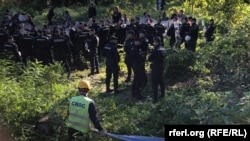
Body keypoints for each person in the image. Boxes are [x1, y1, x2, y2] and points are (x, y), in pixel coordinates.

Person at [148, 36, 166, 103]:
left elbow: (149, 59)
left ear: (156, 42)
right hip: (161, 67)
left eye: (154, 41)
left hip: (155, 67)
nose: (153, 42)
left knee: (155, 83)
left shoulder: (156, 50)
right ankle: (162, 94)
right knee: (161, 81)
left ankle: (155, 99)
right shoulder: (163, 49)